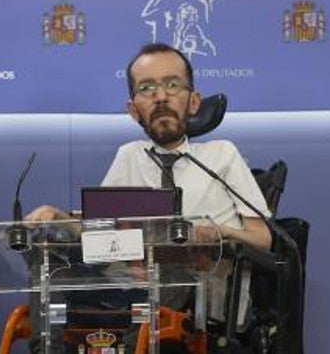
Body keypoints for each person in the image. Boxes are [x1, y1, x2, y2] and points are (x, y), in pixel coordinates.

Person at [26, 42, 272, 337]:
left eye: (172, 84)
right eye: (146, 88)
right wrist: (60, 219)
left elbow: (264, 238)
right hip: (129, 288)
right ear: (132, 110)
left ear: (194, 101)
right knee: (49, 266)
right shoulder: (130, 155)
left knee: (170, 271)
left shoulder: (221, 155)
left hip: (197, 296)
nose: (161, 97)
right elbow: (101, 231)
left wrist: (218, 231)